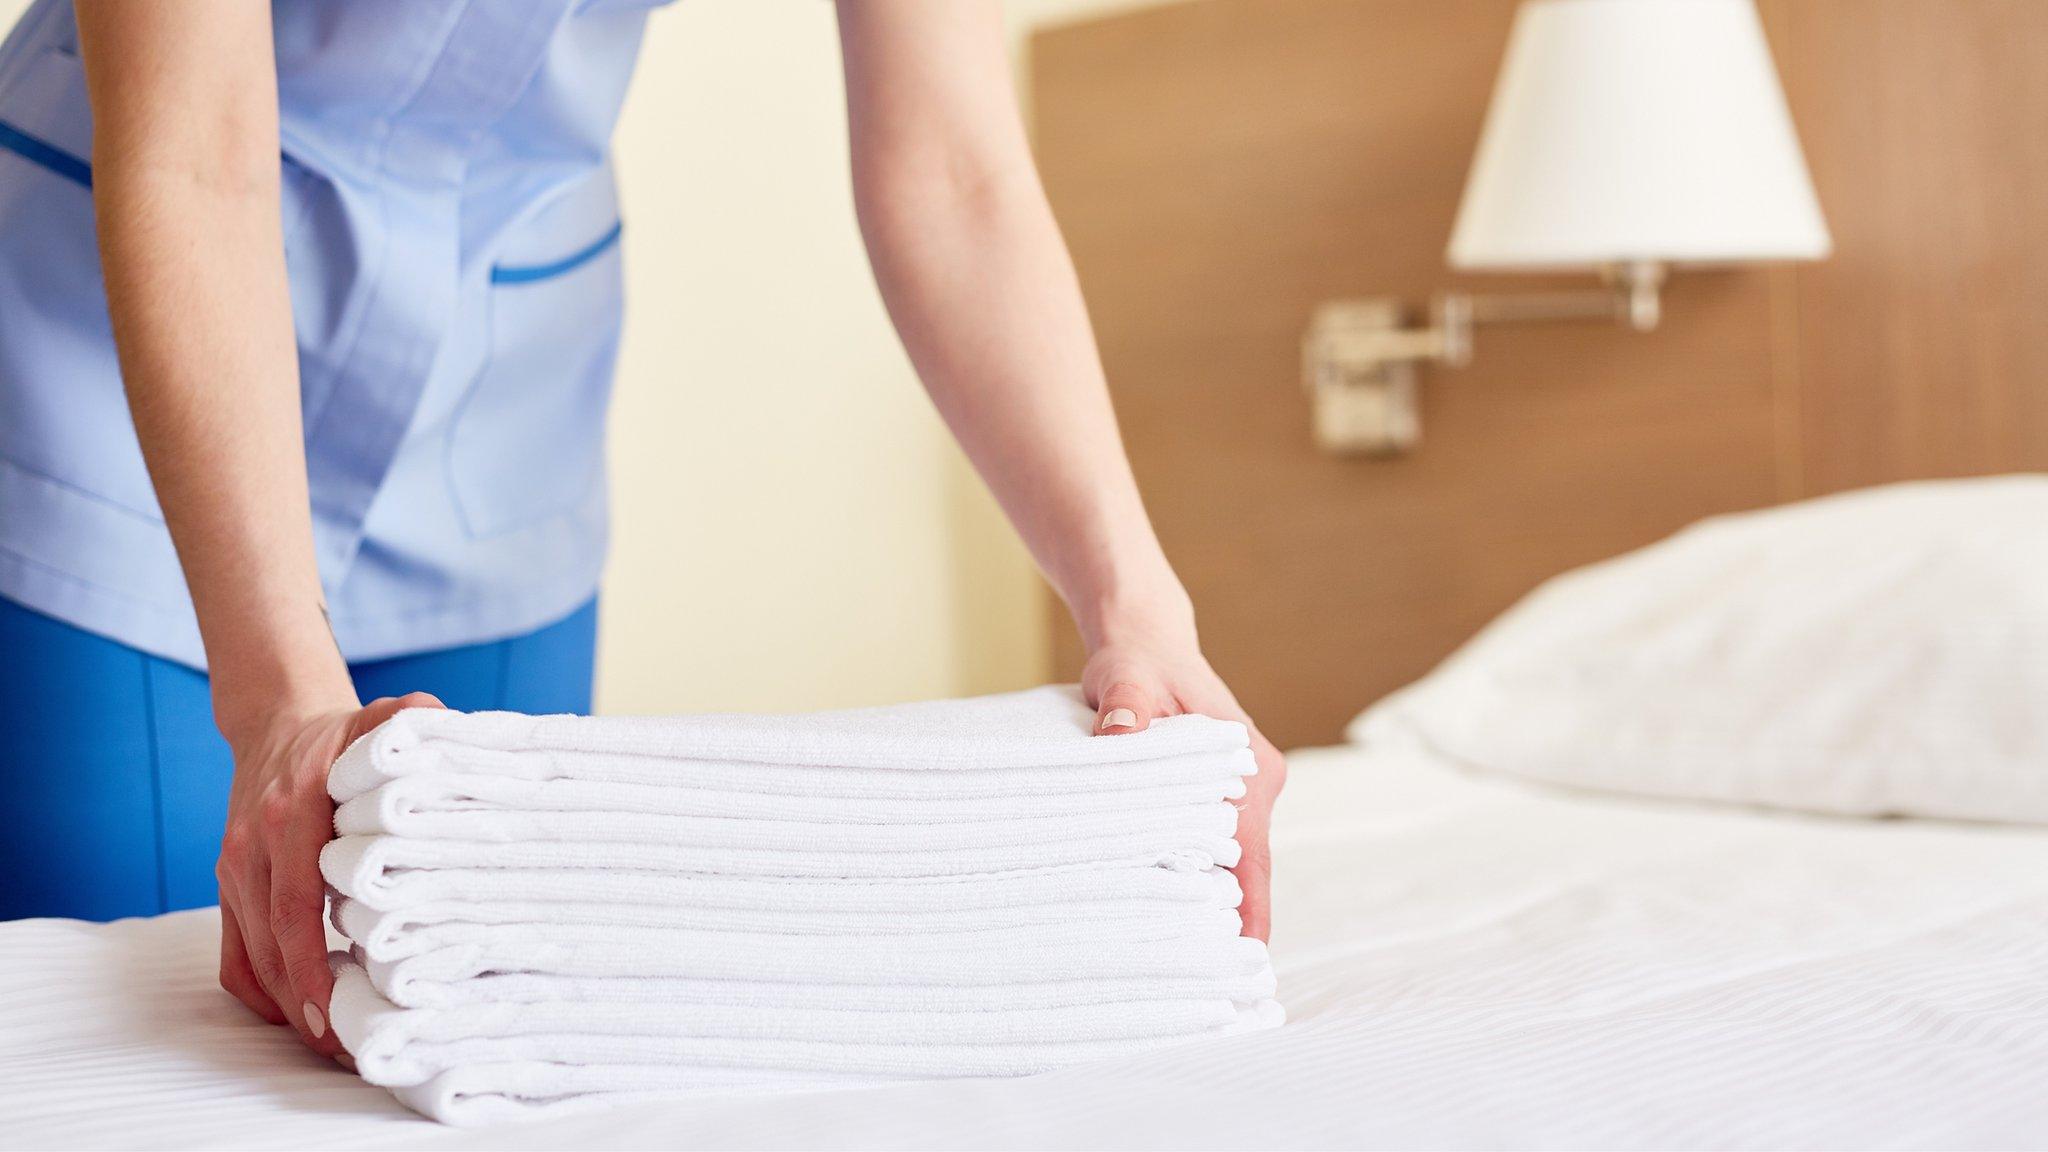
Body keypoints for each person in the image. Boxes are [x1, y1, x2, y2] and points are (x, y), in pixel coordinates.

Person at [0, 0, 1285, 1062]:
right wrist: (277, 698)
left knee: (489, 1018)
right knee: (147, 1031)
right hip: (114, 375)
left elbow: (956, 172)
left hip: (497, 403)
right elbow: (193, 146)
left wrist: (1139, 612)